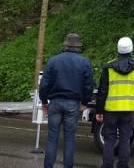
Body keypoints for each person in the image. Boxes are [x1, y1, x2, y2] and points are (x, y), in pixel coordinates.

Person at [39, 33, 94, 168]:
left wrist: (44, 101)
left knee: (52, 137)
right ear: (78, 47)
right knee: (69, 138)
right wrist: (85, 103)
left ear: (65, 45)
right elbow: (89, 85)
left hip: (55, 102)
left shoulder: (53, 60)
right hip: (73, 104)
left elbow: (44, 84)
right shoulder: (84, 62)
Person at [96, 36, 134, 168]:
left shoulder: (108, 67)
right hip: (129, 110)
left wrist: (99, 110)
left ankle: (107, 165)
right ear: (131, 49)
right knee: (125, 139)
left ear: (118, 50)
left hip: (111, 110)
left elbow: (102, 90)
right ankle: (123, 165)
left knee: (109, 139)